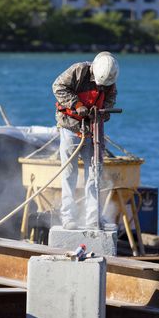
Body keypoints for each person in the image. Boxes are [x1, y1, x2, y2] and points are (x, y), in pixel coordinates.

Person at [52, 52, 119, 230]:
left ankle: (93, 218)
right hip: (70, 127)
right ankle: (68, 216)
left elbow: (111, 99)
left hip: (93, 129)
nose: (100, 85)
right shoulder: (78, 71)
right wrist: (77, 105)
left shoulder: (109, 79)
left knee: (94, 173)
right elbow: (58, 87)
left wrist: (101, 112)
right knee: (69, 173)